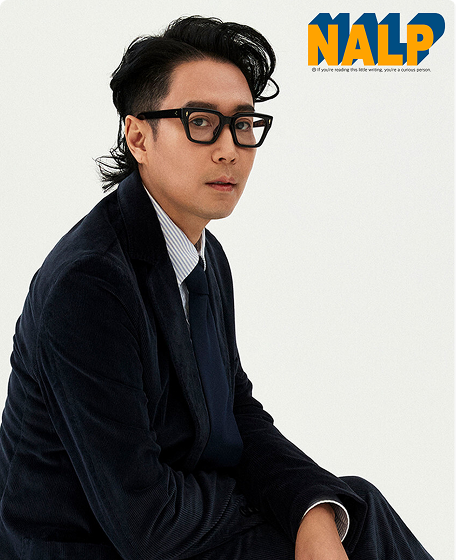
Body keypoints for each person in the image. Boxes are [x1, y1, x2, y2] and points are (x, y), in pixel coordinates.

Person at [0, 15, 434, 560]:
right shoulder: (89, 284)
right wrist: (274, 512)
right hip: (93, 546)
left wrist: (312, 508)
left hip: (172, 522)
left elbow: (235, 412)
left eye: (243, 124)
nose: (229, 148)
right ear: (138, 137)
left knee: (353, 511)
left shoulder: (203, 256)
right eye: (200, 122)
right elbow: (143, 521)